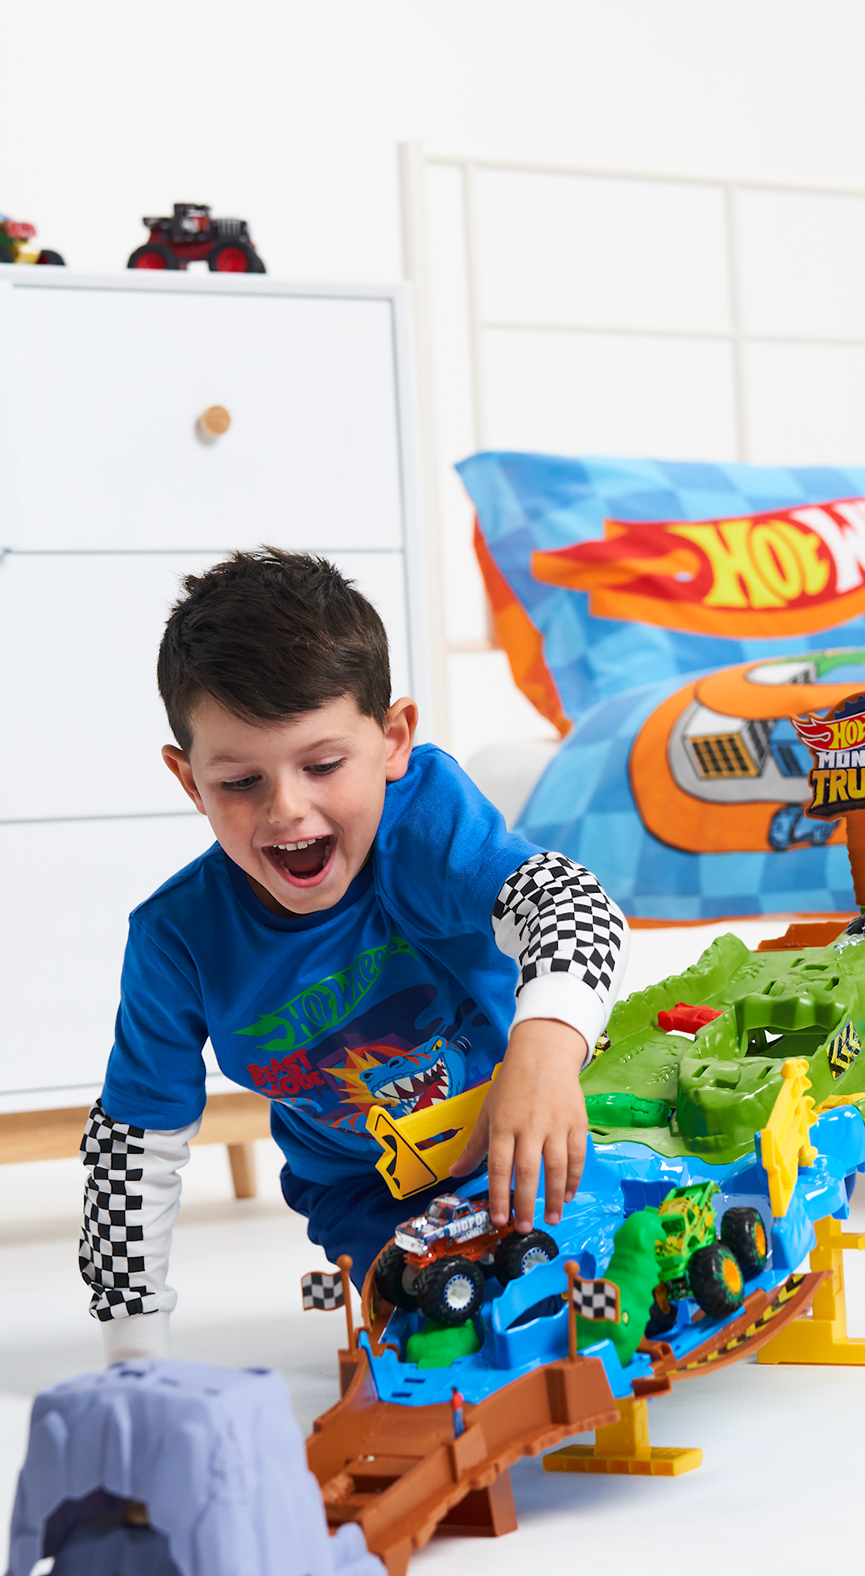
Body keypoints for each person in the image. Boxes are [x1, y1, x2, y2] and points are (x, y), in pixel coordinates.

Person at [81, 548, 629, 1359]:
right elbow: (132, 1141)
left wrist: (543, 1056)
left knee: (599, 1286)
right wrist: (134, 1352)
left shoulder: (422, 824)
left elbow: (575, 904)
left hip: (522, 1126)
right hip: (365, 1189)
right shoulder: (177, 939)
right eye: (239, 783)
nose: (288, 810)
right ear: (190, 782)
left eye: (324, 765)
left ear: (394, 740)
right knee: (440, 1327)